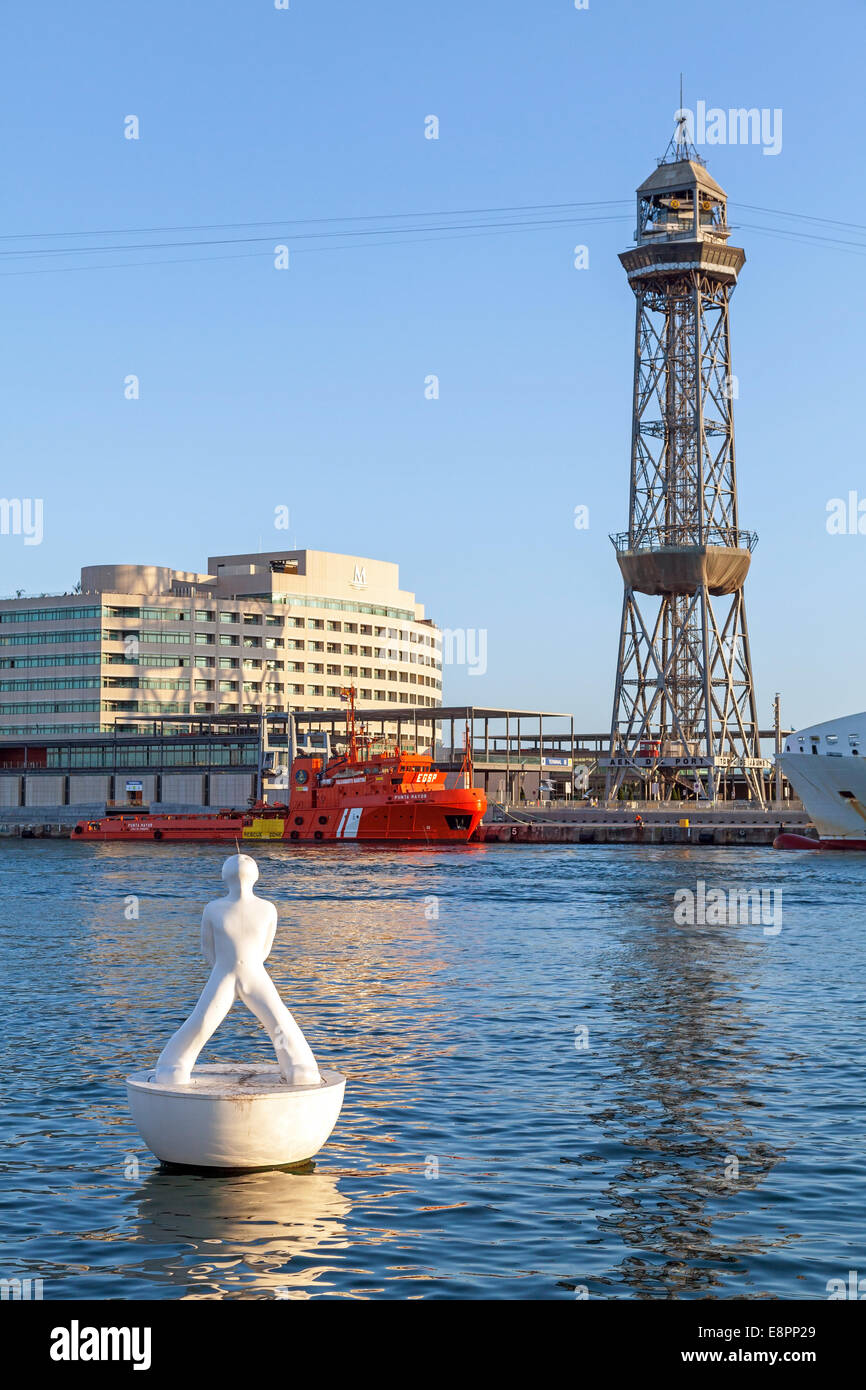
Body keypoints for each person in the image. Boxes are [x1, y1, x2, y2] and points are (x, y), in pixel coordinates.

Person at [154, 853, 321, 1088]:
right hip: (236, 972)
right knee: (271, 1021)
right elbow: (263, 949)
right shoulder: (220, 909)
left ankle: (173, 1065)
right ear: (257, 876)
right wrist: (231, 968)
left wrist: (227, 967)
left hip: (236, 972)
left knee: (272, 1020)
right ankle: (297, 1066)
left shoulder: (260, 909)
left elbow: (208, 949)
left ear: (224, 877)